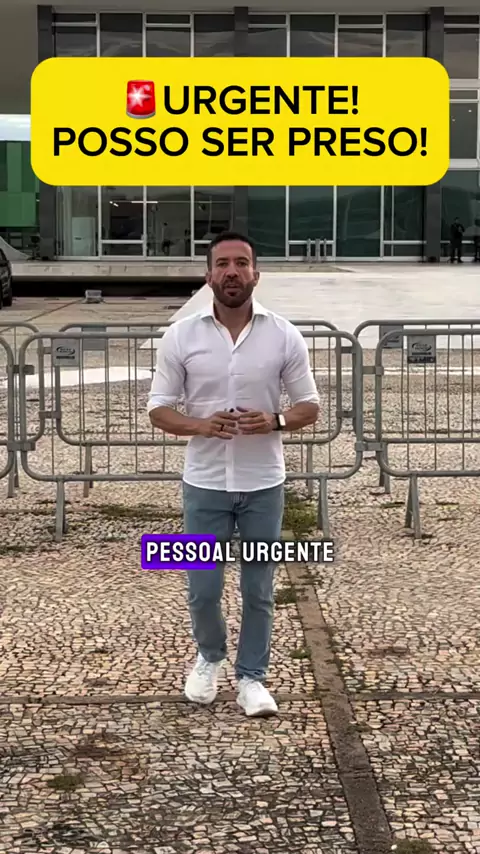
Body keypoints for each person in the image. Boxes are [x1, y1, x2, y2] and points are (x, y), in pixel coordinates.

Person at [147, 231, 320, 717]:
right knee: (203, 589)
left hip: (264, 483)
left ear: (255, 274)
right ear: (208, 276)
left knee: (259, 590)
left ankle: (252, 677)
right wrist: (201, 424)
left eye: (241, 263)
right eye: (222, 263)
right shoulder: (181, 336)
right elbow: (159, 409)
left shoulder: (283, 334)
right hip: (204, 483)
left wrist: (276, 420)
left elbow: (309, 405)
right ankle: (209, 657)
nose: (232, 271)